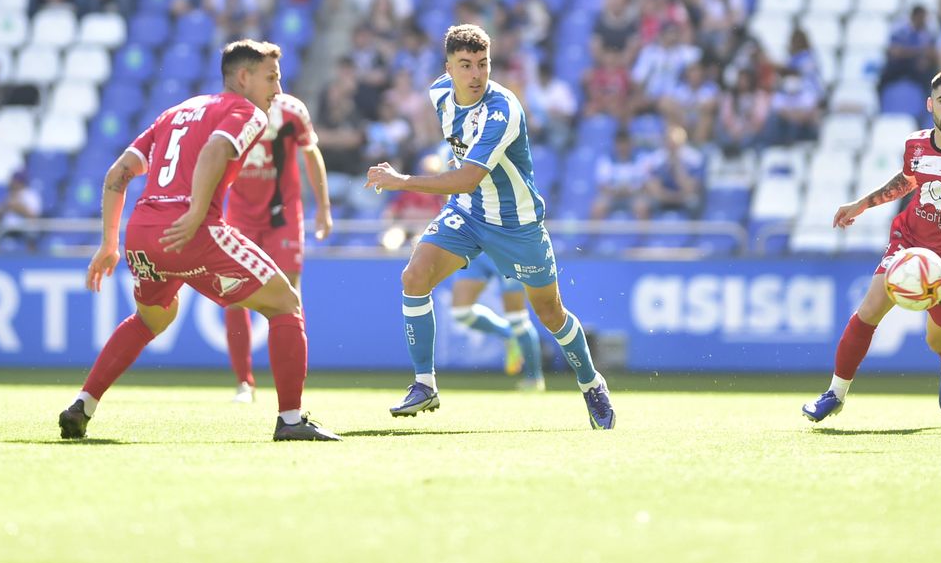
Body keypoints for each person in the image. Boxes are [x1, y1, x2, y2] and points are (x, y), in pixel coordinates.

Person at [60, 39, 339, 443]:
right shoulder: (246, 111)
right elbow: (214, 150)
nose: (277, 89)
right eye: (271, 78)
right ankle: (291, 420)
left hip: (143, 234)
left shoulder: (176, 112)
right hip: (191, 230)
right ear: (243, 78)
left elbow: (119, 173)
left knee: (151, 319)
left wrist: (108, 243)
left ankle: (82, 405)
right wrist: (194, 214)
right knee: (286, 304)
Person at [365, 23, 615, 429]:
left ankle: (591, 384)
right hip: (467, 213)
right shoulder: (437, 94)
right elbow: (461, 170)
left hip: (517, 223)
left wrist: (403, 180)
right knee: (414, 276)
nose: (476, 75)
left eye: (483, 64)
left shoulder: (502, 109)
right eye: (465, 65)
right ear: (447, 68)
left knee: (549, 313)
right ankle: (424, 384)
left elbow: (467, 177)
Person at [804, 71, 941, 423]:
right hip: (908, 242)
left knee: (937, 339)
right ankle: (835, 393)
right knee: (868, 311)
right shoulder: (915, 144)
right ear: (930, 104)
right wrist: (861, 204)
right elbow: (908, 180)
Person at [220, 91, 336, 404]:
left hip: (283, 216)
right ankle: (244, 383)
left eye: (279, 74)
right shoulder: (227, 113)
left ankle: (292, 381)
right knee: (234, 296)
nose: (277, 83)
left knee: (290, 295)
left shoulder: (292, 110)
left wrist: (323, 207)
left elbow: (311, 155)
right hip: (239, 217)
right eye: (271, 75)